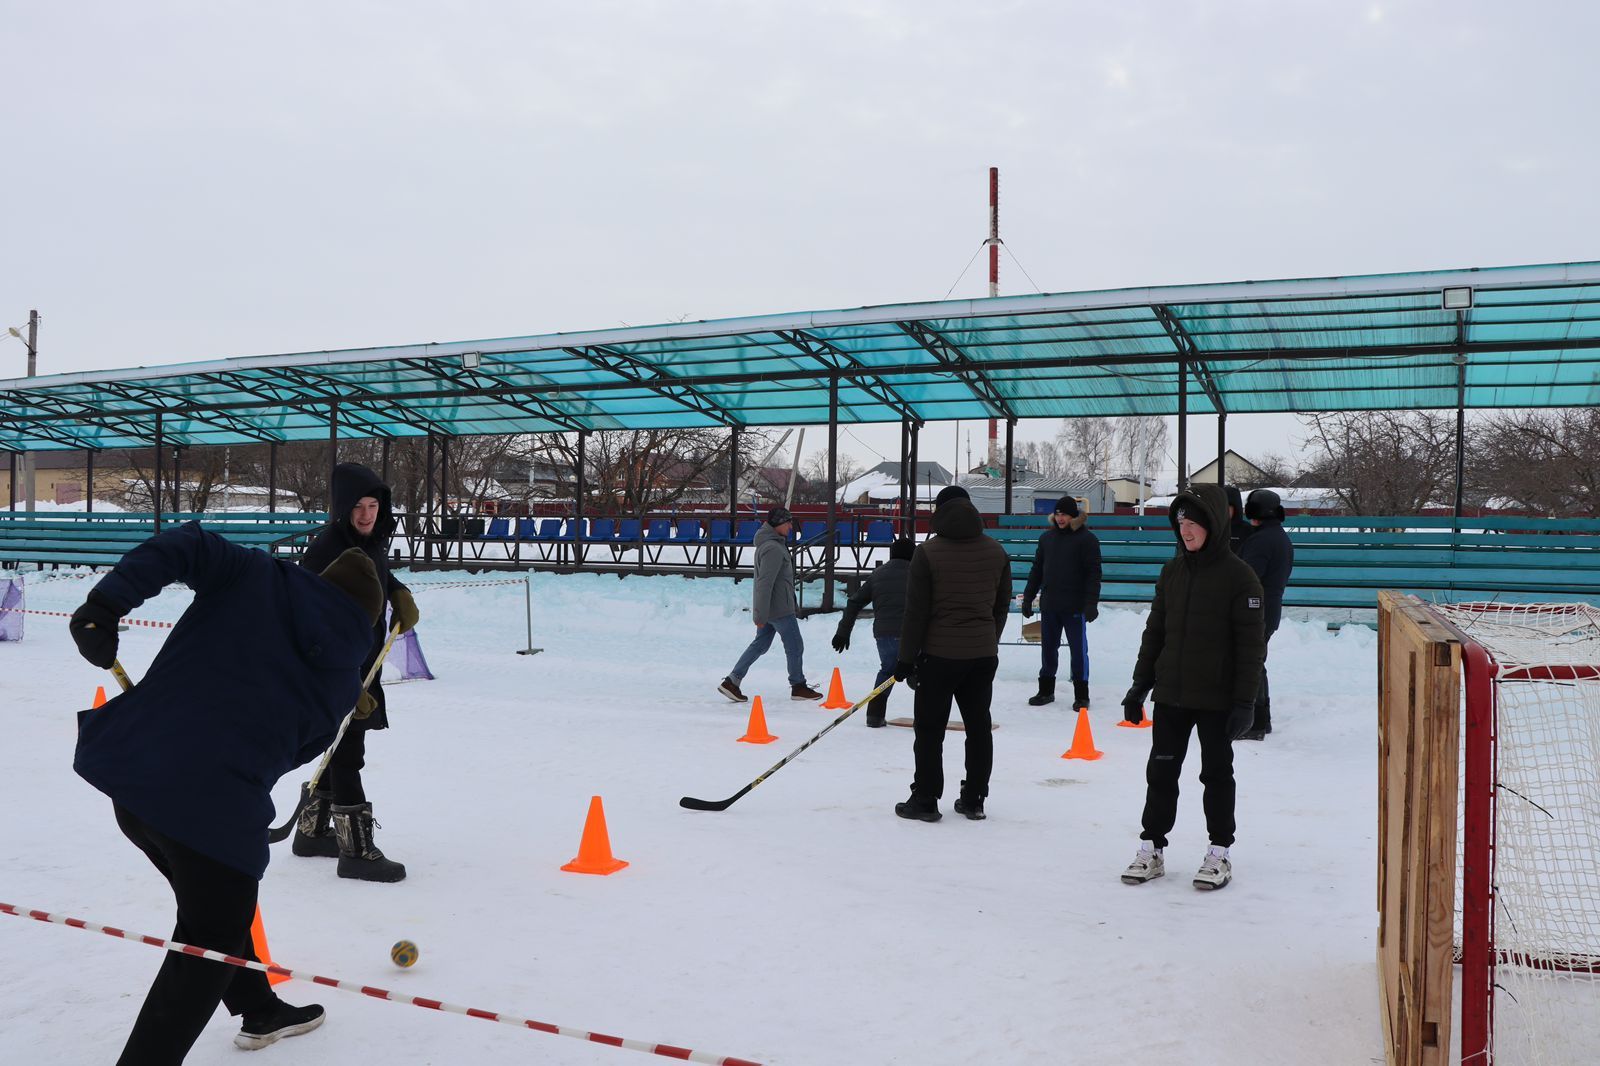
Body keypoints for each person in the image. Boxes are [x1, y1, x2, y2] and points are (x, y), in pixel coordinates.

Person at [69, 521, 384, 1063]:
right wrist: (337, 700)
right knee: (209, 941)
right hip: (208, 814)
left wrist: (105, 604)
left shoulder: (254, 574)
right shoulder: (339, 683)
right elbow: (296, 752)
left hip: (135, 779)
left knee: (213, 911)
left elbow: (183, 544)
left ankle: (258, 1007)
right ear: (365, 622)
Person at [1119, 483, 1265, 891]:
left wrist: (1244, 702)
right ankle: (1152, 847)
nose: (1185, 529)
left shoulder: (1241, 577)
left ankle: (1219, 852)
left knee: (1216, 775)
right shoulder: (1173, 571)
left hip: (1217, 700)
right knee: (1160, 773)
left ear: (1214, 524)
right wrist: (1139, 685)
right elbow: (1156, 633)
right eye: (1181, 520)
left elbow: (1251, 648)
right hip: (1173, 695)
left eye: (1194, 521)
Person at [295, 462, 419, 883]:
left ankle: (311, 833)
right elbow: (302, 616)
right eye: (358, 507)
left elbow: (375, 569)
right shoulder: (326, 550)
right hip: (334, 666)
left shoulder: (370, 540)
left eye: (373, 505)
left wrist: (397, 591)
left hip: (361, 661)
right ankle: (356, 851)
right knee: (347, 752)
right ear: (341, 508)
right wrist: (339, 679)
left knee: (341, 744)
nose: (367, 514)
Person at [892, 485, 1012, 822]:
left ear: (939, 512)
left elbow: (915, 612)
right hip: (981, 656)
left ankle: (926, 798)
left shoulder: (928, 553)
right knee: (978, 728)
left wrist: (905, 658)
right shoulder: (996, 551)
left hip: (938, 657)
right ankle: (974, 798)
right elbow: (1002, 605)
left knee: (930, 730)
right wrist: (989, 637)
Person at [719, 506, 823, 702]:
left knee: (760, 645)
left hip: (773, 607)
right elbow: (764, 584)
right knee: (795, 645)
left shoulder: (772, 544)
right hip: (779, 609)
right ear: (778, 524)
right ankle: (798, 686)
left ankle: (732, 681)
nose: (791, 526)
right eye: (788, 522)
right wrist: (759, 615)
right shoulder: (773, 548)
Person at [1020, 496, 1102, 709]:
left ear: (1073, 515)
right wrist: (1028, 597)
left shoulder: (1087, 539)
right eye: (1057, 514)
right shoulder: (1046, 539)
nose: (1060, 518)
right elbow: (1037, 569)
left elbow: (1094, 574)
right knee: (1048, 649)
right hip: (1050, 604)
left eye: (1064, 514)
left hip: (1074, 606)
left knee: (1078, 651)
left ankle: (1081, 694)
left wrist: (1091, 602)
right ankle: (1046, 690)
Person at [832, 537, 916, 727]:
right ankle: (924, 716)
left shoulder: (878, 574)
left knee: (887, 670)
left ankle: (875, 716)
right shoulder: (918, 573)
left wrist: (843, 632)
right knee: (920, 670)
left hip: (884, 633)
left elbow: (854, 602)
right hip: (912, 633)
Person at [1237, 488, 1294, 740]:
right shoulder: (1279, 537)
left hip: (1256, 612)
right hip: (1269, 610)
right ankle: (1262, 720)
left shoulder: (1261, 540)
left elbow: (1247, 579)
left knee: (1251, 666)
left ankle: (1255, 723)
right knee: (1257, 664)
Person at [1223, 483, 1253, 554]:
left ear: (1236, 508)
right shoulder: (1213, 528)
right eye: (1220, 506)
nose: (1223, 510)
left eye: (1227, 507)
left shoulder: (1247, 530)